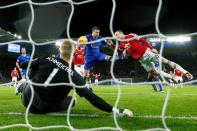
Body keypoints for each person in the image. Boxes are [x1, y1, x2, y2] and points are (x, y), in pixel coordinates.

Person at [16, 39, 132, 116]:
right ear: (73, 54)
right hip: (42, 109)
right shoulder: (74, 75)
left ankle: (23, 85)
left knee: (31, 81)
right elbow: (91, 97)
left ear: (59, 50)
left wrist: (37, 69)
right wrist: (116, 110)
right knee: (73, 100)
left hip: (27, 98)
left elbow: (23, 65)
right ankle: (37, 94)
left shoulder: (46, 59)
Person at [114, 30, 193, 84]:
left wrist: (152, 48)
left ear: (121, 33)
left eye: (116, 34)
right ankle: (172, 77)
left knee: (166, 61)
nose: (116, 36)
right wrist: (111, 45)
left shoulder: (130, 35)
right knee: (154, 72)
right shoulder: (122, 45)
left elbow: (142, 40)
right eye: (115, 36)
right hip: (141, 60)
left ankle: (185, 72)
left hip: (146, 53)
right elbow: (118, 50)